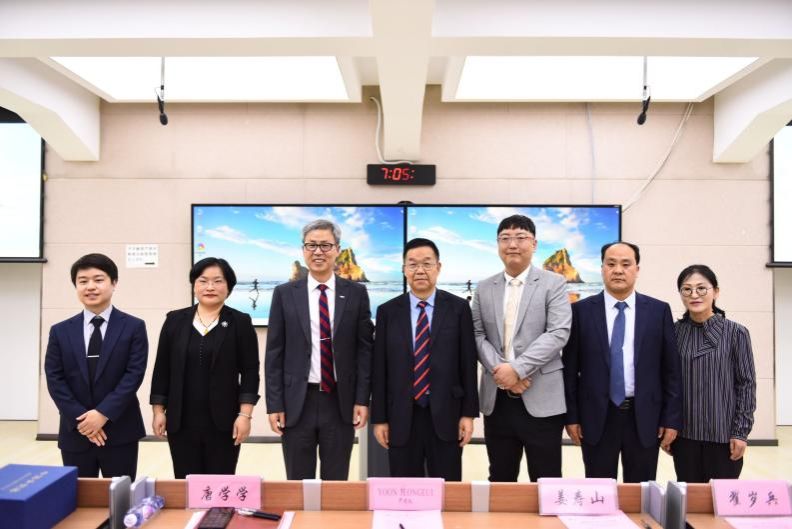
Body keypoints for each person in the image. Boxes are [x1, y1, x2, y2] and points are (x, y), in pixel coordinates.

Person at [563, 242, 682, 482]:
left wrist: (670, 418)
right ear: (602, 268)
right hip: (597, 417)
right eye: (611, 264)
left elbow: (671, 370)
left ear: (637, 269)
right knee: (599, 490)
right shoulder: (580, 312)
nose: (618, 270)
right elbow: (569, 370)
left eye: (626, 264)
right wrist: (571, 417)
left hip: (645, 417)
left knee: (640, 491)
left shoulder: (658, 311)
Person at [265, 219, 374, 480]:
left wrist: (362, 399)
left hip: (340, 402)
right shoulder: (284, 293)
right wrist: (274, 404)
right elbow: (274, 353)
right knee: (297, 481)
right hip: (296, 402)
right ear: (303, 250)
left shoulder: (356, 293)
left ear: (337, 249)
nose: (318, 252)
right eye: (311, 245)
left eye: (325, 245)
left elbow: (364, 351)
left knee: (336, 482)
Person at [473, 214, 572, 482]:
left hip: (541, 397)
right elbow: (477, 334)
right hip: (497, 399)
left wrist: (517, 370)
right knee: (500, 478)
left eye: (520, 237)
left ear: (534, 244)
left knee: (546, 479)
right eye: (505, 238)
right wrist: (502, 372)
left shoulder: (554, 283)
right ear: (497, 244)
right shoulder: (484, 288)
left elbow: (558, 332)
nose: (512, 244)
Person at [371, 238, 479, 481]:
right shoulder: (387, 311)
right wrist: (380, 419)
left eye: (427, 264)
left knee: (447, 489)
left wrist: (468, 414)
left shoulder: (458, 308)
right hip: (400, 415)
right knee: (405, 490)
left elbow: (468, 363)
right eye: (413, 264)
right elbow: (380, 369)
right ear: (404, 269)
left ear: (438, 267)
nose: (420, 270)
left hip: (447, 414)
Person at [150, 257, 260, 479]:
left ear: (228, 287)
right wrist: (158, 411)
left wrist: (245, 415)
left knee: (220, 484)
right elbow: (162, 369)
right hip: (181, 421)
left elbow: (250, 372)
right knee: (186, 482)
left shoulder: (240, 322)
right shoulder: (175, 320)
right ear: (194, 285)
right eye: (203, 281)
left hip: (224, 421)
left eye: (218, 281)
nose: (210, 287)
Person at [45, 253, 148, 479]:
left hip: (120, 429)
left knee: (120, 495)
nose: (90, 286)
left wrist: (102, 414)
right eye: (83, 281)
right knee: (79, 495)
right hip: (76, 431)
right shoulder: (60, 331)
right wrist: (83, 420)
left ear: (114, 283)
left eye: (98, 280)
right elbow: (54, 378)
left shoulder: (133, 327)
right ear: (76, 286)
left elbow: (133, 375)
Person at [671, 264, 756, 482]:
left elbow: (746, 385)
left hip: (723, 436)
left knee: (722, 499)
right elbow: (668, 384)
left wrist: (740, 432)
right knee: (690, 499)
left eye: (701, 288)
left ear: (716, 292)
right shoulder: (674, 332)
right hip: (685, 436)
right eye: (687, 289)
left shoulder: (736, 333)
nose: (694, 295)